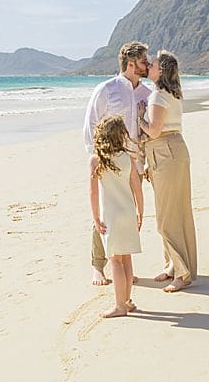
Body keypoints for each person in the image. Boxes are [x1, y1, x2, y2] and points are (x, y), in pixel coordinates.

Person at [82, 41, 150, 285]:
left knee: (127, 214)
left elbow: (148, 133)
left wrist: (146, 162)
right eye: (144, 61)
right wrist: (98, 158)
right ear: (131, 64)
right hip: (108, 163)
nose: (148, 65)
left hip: (134, 163)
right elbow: (90, 125)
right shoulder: (106, 89)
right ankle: (98, 266)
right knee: (103, 214)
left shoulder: (146, 94)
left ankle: (123, 267)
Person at [140, 49, 197, 292]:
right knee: (177, 212)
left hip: (166, 151)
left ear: (160, 71)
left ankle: (182, 273)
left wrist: (138, 118)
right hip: (171, 151)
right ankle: (174, 266)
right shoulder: (170, 94)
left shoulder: (159, 96)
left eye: (151, 65)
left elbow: (153, 131)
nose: (147, 67)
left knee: (166, 218)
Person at [89, 115, 143, 318]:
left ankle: (120, 305)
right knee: (126, 259)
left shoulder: (96, 160)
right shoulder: (128, 158)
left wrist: (96, 219)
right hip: (128, 212)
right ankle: (127, 301)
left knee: (115, 261)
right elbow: (137, 188)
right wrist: (140, 212)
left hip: (110, 215)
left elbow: (93, 193)